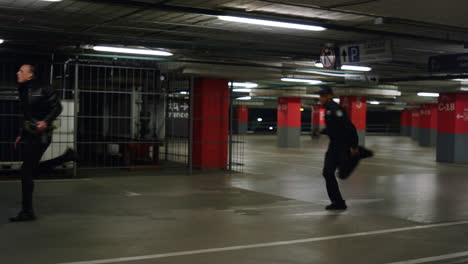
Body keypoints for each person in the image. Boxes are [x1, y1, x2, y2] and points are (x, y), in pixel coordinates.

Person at [10, 64, 63, 222]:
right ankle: (66, 157)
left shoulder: (45, 88)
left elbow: (57, 107)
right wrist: (21, 133)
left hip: (41, 135)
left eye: (21, 71)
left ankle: (27, 212)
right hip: (30, 133)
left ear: (30, 75)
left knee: (26, 171)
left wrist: (46, 122)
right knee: (29, 170)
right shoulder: (23, 89)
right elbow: (26, 114)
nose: (17, 72)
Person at [314, 87, 359, 211]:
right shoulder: (329, 109)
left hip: (341, 145)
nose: (320, 98)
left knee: (333, 172)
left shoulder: (336, 109)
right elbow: (334, 128)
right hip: (334, 145)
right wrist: (322, 131)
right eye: (320, 96)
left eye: (322, 96)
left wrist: (354, 145)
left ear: (329, 96)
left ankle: (338, 201)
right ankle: (338, 202)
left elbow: (349, 127)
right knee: (328, 172)